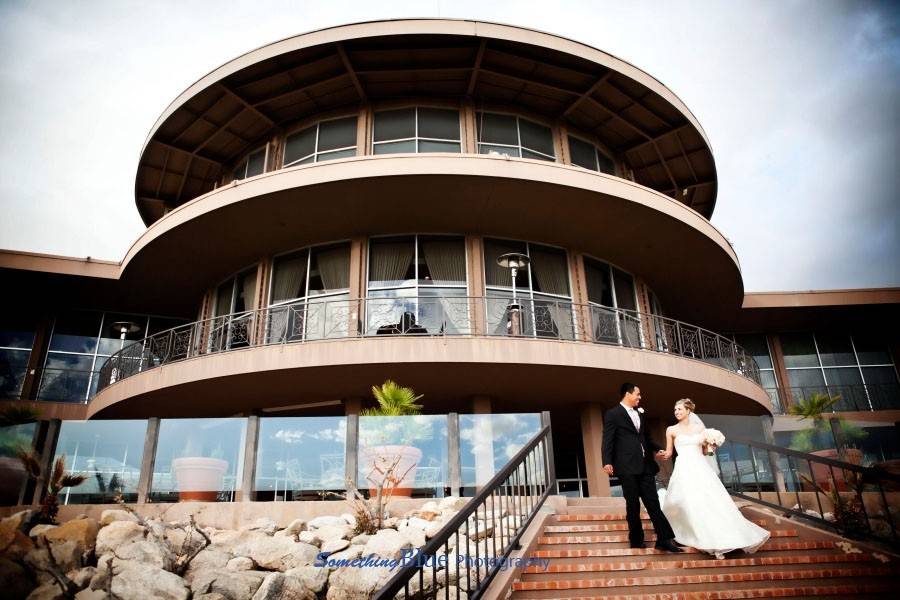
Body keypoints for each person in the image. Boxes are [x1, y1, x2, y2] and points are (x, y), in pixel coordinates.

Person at [660, 398, 770, 559]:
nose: (676, 412)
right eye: (675, 410)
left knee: (708, 500)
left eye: (680, 409)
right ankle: (693, 532)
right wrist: (661, 454)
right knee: (687, 500)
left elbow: (706, 453)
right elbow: (669, 453)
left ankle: (719, 537)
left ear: (688, 411)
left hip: (701, 468)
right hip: (683, 468)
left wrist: (713, 446)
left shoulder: (700, 428)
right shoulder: (671, 430)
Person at [602, 383, 683, 552]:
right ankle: (636, 540)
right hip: (626, 467)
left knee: (653, 503)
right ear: (627, 394)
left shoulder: (641, 413)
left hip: (645, 465)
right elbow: (608, 439)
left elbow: (645, 437)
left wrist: (657, 448)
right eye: (637, 394)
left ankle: (664, 539)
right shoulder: (613, 414)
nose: (640, 397)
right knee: (633, 505)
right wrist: (607, 461)